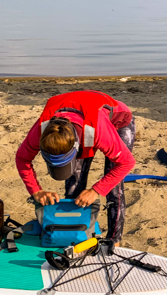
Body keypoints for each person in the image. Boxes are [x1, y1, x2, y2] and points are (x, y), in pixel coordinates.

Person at [16, 90, 136, 246]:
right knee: (74, 185)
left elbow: (126, 163)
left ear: (76, 147)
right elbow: (22, 158)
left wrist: (96, 190)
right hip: (78, 123)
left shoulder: (97, 130)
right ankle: (72, 233)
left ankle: (115, 241)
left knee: (113, 187)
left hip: (117, 120)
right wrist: (36, 191)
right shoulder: (41, 130)